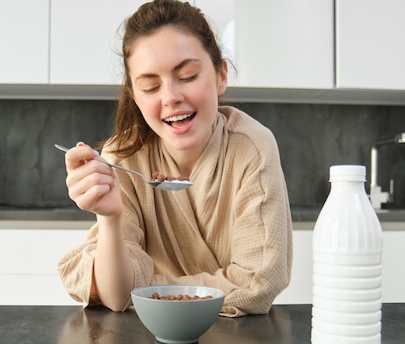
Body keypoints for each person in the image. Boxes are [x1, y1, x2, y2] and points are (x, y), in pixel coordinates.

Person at [57, 0, 292, 317]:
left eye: (188, 75)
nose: (170, 97)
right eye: (151, 86)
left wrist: (146, 289)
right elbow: (115, 297)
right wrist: (109, 219)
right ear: (136, 96)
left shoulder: (251, 147)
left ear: (221, 75)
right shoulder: (122, 160)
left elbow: (258, 281)